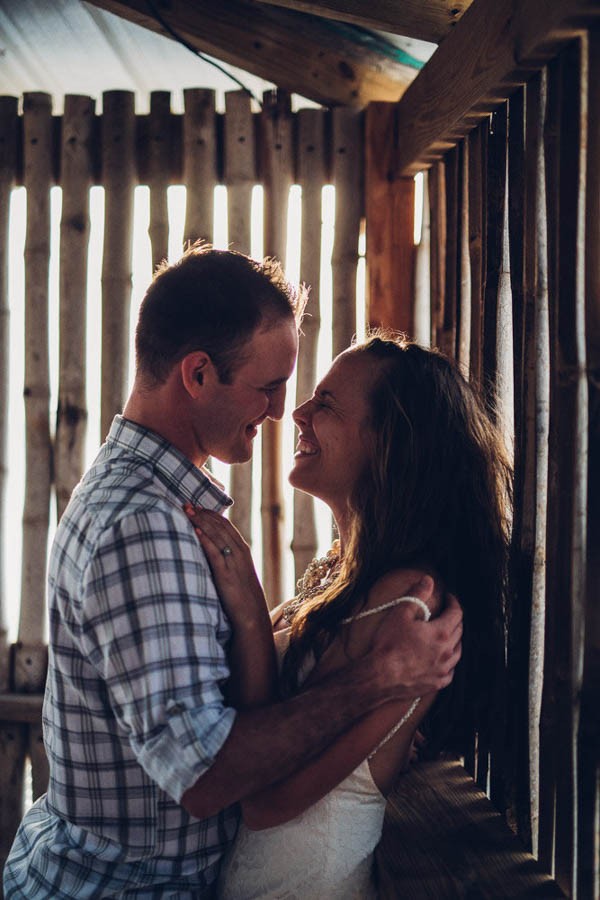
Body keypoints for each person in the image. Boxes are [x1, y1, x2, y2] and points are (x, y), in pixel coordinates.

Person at [3, 247, 462, 899]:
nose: (282, 411)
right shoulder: (145, 525)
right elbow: (209, 777)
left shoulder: (170, 510)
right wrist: (378, 680)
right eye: (268, 386)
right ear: (197, 374)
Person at [183, 331, 512, 899]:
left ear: (390, 442)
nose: (299, 414)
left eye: (327, 405)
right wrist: (249, 606)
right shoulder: (343, 576)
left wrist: (246, 607)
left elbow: (264, 801)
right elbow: (264, 727)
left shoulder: (410, 604)